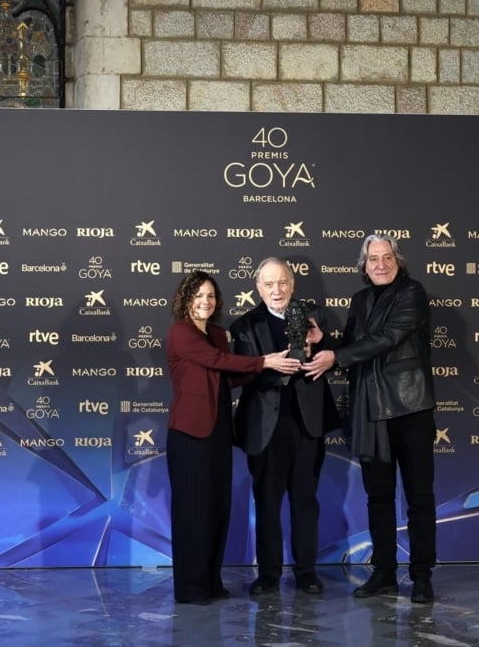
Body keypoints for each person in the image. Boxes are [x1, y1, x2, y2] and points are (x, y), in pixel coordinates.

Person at [302, 234, 438, 604]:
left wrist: (338, 357)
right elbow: (353, 346)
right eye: (373, 258)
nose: (380, 264)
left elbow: (387, 338)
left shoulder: (412, 292)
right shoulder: (360, 300)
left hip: (410, 408)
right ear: (363, 265)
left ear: (398, 261)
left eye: (387, 257)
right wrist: (326, 342)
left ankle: (422, 576)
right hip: (370, 411)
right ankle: (384, 573)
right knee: (378, 498)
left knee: (419, 497)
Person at [165, 271, 300, 605]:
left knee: (216, 509)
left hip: (218, 430)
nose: (205, 302)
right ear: (185, 298)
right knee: (192, 512)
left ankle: (211, 582)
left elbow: (228, 376)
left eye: (210, 296)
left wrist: (267, 366)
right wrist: (262, 360)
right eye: (198, 295)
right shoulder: (181, 332)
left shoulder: (217, 333)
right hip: (189, 433)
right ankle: (192, 588)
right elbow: (216, 361)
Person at [229, 258, 340, 596]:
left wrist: (320, 347)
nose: (276, 290)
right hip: (265, 427)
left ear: (292, 285)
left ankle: (307, 572)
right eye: (268, 284)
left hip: (307, 424)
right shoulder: (244, 326)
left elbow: (337, 359)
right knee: (267, 503)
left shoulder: (315, 318)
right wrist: (273, 366)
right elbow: (245, 374)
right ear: (258, 289)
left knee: (305, 501)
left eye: (282, 283)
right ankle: (269, 575)